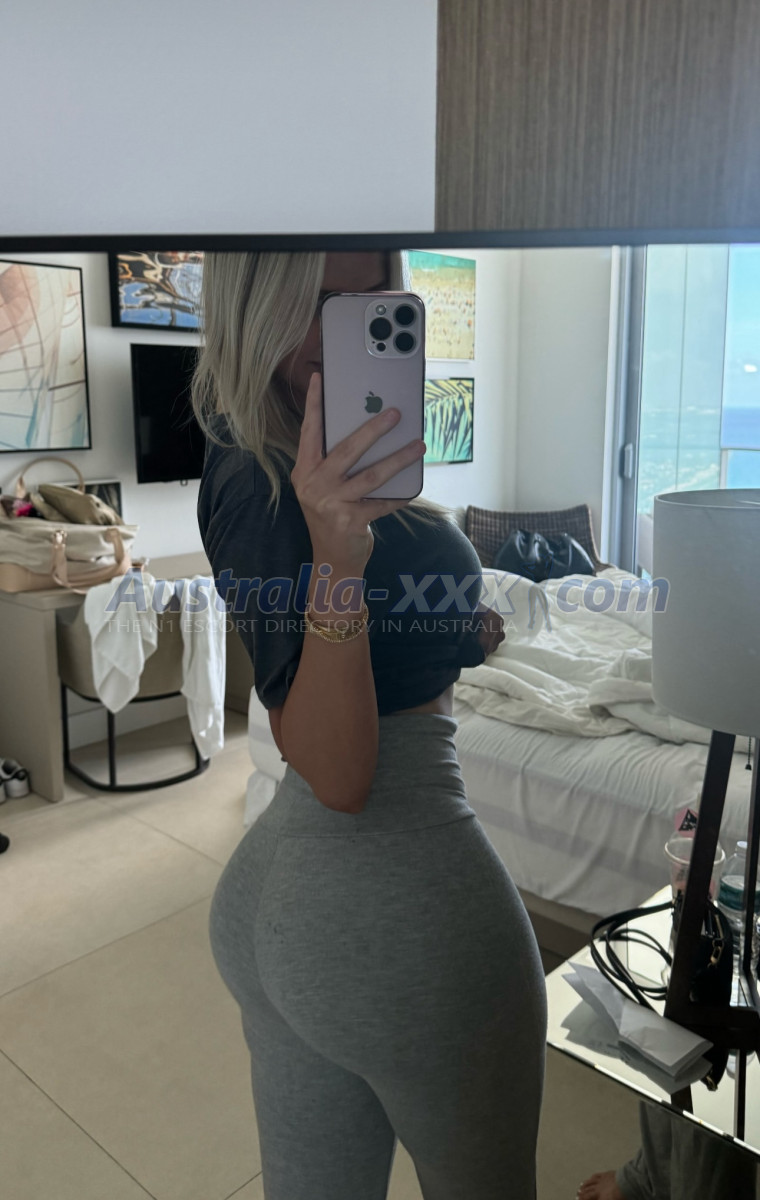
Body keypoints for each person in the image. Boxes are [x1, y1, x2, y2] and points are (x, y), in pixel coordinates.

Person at [193, 248, 547, 1200]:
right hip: (396, 904)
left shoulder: (312, 462)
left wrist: (461, 627)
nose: (347, 329)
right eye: (318, 302)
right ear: (255, 305)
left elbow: (376, 645)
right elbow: (337, 770)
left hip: (300, 901)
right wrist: (340, 550)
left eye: (371, 298)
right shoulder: (262, 477)